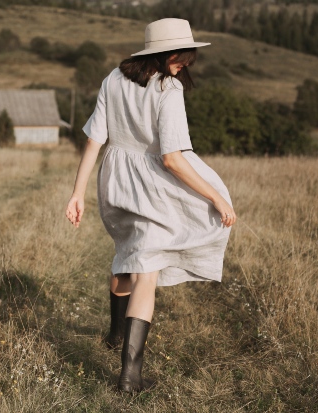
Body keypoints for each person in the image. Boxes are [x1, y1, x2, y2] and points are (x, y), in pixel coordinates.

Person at [65, 18, 236, 393]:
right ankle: (130, 379)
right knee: (147, 272)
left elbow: (95, 140)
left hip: (114, 180)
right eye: (182, 56)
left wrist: (78, 192)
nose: (186, 63)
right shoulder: (168, 89)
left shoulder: (114, 77)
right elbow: (172, 159)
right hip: (151, 185)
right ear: (165, 53)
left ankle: (113, 335)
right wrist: (216, 196)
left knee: (128, 252)